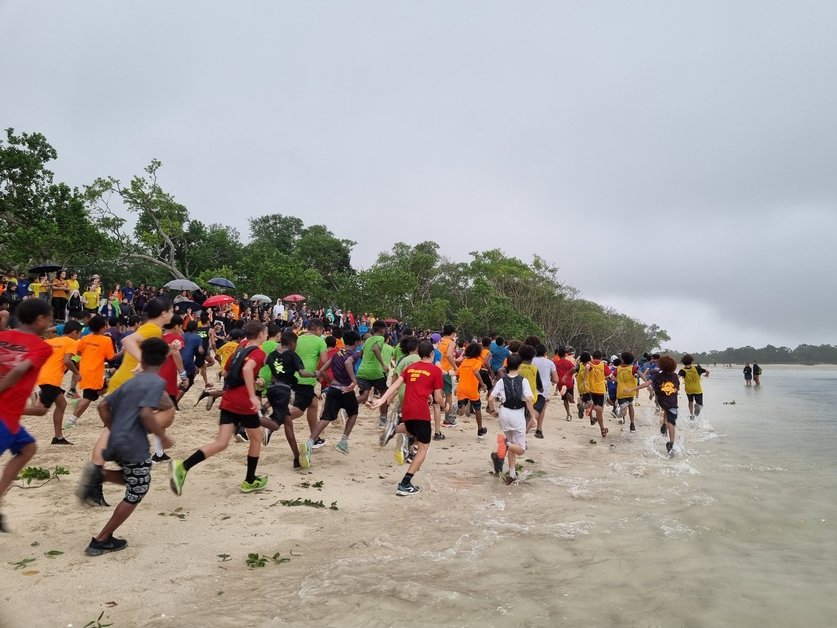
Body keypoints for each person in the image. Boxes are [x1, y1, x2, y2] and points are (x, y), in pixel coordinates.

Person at [83, 337, 175, 556]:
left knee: (133, 477)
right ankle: (101, 540)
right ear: (163, 360)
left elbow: (103, 405)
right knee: (137, 489)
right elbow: (145, 412)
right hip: (133, 444)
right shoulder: (155, 381)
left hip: (115, 439)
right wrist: (163, 436)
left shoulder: (132, 381)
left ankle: (101, 475)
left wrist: (113, 427)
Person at [170, 321, 269, 495]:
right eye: (266, 333)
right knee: (256, 438)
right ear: (261, 334)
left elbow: (227, 372)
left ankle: (183, 466)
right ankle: (250, 480)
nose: (266, 335)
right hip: (244, 401)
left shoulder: (240, 349)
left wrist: (254, 380)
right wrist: (253, 395)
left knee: (221, 443)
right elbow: (246, 370)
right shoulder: (258, 353)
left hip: (229, 398)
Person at [0, 298, 53, 532]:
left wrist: (33, 410)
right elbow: (20, 370)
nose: (50, 323)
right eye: (49, 318)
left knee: (28, 447)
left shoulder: (2, 337)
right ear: (40, 319)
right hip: (4, 418)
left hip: (10, 414)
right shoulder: (41, 347)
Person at [373, 340, 443, 496]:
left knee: (411, 429)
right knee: (424, 447)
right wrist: (443, 404)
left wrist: (383, 400)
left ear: (419, 354)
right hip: (420, 410)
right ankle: (405, 483)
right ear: (431, 354)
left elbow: (395, 385)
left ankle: (394, 429)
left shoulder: (410, 368)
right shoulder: (435, 370)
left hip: (407, 408)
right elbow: (438, 398)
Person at [300, 330, 361, 461]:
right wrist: (354, 380)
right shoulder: (353, 354)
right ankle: (343, 441)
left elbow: (322, 370)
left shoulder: (338, 353)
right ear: (357, 342)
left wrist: (329, 381)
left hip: (333, 388)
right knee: (353, 413)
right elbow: (348, 363)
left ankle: (310, 442)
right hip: (346, 389)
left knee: (326, 418)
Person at [261, 331, 319, 469]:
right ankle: (250, 417)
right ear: (292, 343)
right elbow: (303, 373)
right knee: (277, 424)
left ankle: (296, 458)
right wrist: (315, 373)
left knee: (288, 422)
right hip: (283, 390)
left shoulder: (272, 354)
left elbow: (264, 362)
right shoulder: (293, 355)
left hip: (271, 389)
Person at [33, 320, 82, 444]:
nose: (79, 336)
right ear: (74, 332)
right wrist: (77, 373)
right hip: (51, 379)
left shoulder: (50, 341)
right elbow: (67, 361)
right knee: (41, 410)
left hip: (43, 377)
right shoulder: (71, 342)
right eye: (79, 333)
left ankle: (58, 437)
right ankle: (11, 408)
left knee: (62, 404)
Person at [489, 354, 536, 484]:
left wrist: (493, 411)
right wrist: (532, 417)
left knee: (513, 444)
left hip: (504, 413)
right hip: (517, 414)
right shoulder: (523, 380)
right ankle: (505, 445)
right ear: (520, 366)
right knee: (521, 449)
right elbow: (528, 399)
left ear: (506, 366)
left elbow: (490, 398)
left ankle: (512, 474)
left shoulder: (501, 380)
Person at [64, 315, 116, 431]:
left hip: (85, 371)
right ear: (102, 328)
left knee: (106, 386)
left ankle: (80, 404)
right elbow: (111, 357)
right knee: (88, 397)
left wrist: (78, 365)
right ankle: (71, 420)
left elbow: (77, 353)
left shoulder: (85, 338)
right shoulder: (106, 340)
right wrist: (123, 352)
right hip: (94, 373)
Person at [632, 355, 680, 455]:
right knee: (672, 423)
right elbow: (677, 388)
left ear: (661, 366)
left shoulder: (658, 376)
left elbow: (647, 384)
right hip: (672, 403)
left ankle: (664, 424)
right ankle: (671, 443)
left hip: (662, 401)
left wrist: (633, 389)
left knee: (666, 411)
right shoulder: (675, 376)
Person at [355, 320, 391, 427]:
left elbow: (361, 354)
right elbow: (376, 349)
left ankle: (345, 406)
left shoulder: (367, 340)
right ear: (381, 330)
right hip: (375, 371)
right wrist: (383, 365)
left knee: (364, 395)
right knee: (384, 394)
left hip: (363, 370)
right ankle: (383, 419)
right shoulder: (380, 338)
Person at [456, 342, 487, 437]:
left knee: (461, 411)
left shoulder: (464, 362)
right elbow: (476, 372)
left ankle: (461, 407)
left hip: (462, 388)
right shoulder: (477, 362)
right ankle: (480, 429)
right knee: (478, 409)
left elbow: (458, 374)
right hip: (472, 389)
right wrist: (482, 384)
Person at [532, 344, 558, 438]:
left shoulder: (531, 361)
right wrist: (549, 379)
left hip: (531, 389)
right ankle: (539, 429)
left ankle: (528, 424)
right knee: (541, 408)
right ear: (545, 353)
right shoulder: (550, 363)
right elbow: (556, 379)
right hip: (543, 389)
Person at [586, 350, 611, 438]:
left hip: (590, 389)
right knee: (599, 411)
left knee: (592, 404)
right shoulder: (604, 365)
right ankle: (602, 430)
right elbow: (609, 376)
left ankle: (592, 417)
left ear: (592, 356)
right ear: (601, 358)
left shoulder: (589, 364)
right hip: (600, 390)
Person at [437, 325, 458, 425]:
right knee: (448, 394)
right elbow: (449, 355)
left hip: (436, 369)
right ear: (453, 333)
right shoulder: (451, 342)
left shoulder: (439, 341)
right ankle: (447, 418)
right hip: (446, 370)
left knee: (438, 392)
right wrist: (456, 367)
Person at [615, 351, 640, 431]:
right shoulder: (620, 368)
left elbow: (639, 374)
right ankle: (621, 415)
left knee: (629, 406)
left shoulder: (632, 368)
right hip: (623, 393)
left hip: (628, 392)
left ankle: (632, 423)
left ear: (622, 360)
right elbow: (611, 376)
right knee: (626, 409)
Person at [678, 354, 709, 419]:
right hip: (697, 390)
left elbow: (677, 378)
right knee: (700, 405)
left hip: (689, 390)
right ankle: (697, 407)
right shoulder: (697, 368)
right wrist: (706, 375)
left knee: (690, 401)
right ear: (691, 361)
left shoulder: (682, 371)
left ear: (683, 362)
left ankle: (691, 414)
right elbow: (707, 371)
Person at [553, 346, 576, 421]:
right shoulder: (569, 363)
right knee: (571, 400)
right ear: (565, 354)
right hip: (569, 382)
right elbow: (574, 369)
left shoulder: (556, 363)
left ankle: (568, 414)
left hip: (560, 383)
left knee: (565, 400)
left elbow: (553, 373)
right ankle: (567, 393)